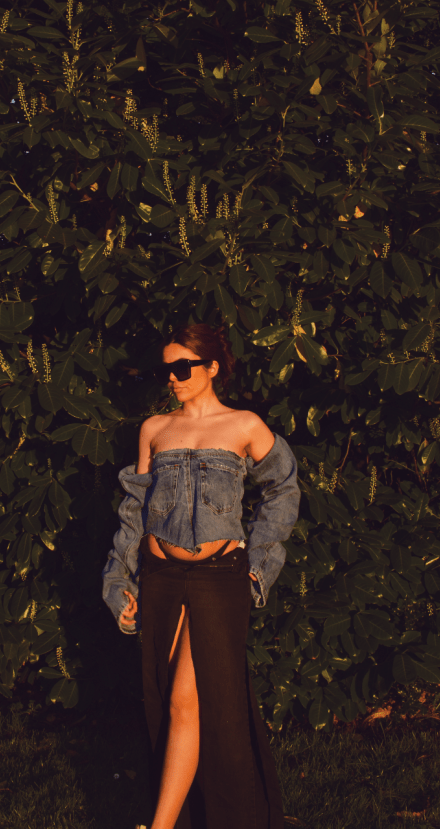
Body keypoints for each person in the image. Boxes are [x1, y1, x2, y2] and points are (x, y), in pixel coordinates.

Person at [102, 322, 301, 829]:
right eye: (166, 369)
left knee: (190, 698)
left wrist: (259, 566)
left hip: (218, 578)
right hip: (161, 577)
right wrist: (121, 581)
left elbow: (283, 488)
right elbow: (133, 512)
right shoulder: (154, 429)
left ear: (212, 367)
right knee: (175, 706)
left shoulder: (244, 425)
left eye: (182, 366)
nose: (173, 377)